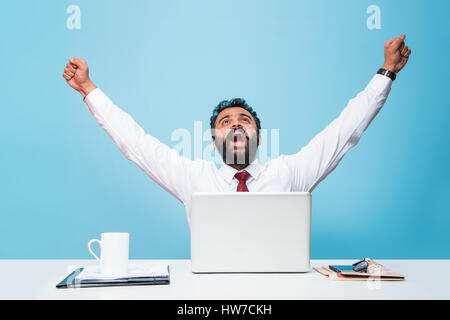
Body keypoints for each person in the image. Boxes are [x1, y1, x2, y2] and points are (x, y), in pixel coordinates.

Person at [62, 35, 411, 225]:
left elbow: (344, 130)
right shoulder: (193, 177)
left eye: (244, 120)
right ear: (214, 141)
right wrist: (90, 89)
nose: (235, 126)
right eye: (225, 123)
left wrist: (386, 72)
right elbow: (134, 143)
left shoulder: (290, 173)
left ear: (258, 135)